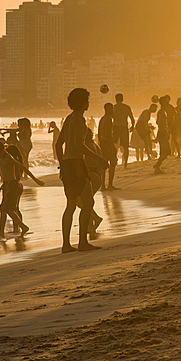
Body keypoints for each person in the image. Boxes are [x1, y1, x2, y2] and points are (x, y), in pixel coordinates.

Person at [56, 88, 110, 252]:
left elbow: (59, 145)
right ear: (82, 102)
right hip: (77, 164)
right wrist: (99, 158)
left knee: (71, 205)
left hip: (66, 164)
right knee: (88, 202)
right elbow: (78, 144)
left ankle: (66, 244)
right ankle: (82, 242)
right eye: (87, 99)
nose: (88, 102)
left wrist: (61, 164)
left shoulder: (68, 118)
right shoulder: (79, 119)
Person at [0, 141, 43, 238]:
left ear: (2, 150)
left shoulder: (9, 157)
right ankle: (1, 232)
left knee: (7, 208)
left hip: (12, 185)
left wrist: (36, 180)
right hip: (7, 185)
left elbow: (23, 168)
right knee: (4, 209)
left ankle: (23, 227)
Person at [98, 103, 118, 190]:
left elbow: (99, 133)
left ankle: (103, 185)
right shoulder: (108, 119)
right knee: (113, 162)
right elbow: (108, 133)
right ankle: (110, 185)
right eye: (112, 109)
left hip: (102, 143)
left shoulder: (102, 119)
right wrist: (112, 145)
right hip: (107, 143)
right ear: (109, 109)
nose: (113, 111)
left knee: (104, 164)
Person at [112, 93, 136, 168]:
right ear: (122, 99)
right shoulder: (126, 107)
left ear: (116, 99)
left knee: (115, 146)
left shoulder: (114, 107)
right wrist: (132, 126)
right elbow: (132, 118)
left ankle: (114, 162)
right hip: (124, 127)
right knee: (125, 147)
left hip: (116, 127)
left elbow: (110, 118)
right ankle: (125, 163)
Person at [154, 95, 173, 174]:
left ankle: (157, 166)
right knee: (167, 151)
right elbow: (162, 124)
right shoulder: (161, 112)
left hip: (162, 133)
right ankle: (157, 165)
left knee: (165, 151)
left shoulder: (162, 112)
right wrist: (166, 133)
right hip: (162, 133)